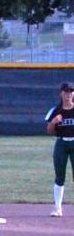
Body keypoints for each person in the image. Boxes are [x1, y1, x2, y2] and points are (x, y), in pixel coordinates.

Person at [45, 81, 74, 217]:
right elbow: (49, 131)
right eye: (66, 91)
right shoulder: (56, 110)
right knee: (59, 176)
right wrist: (53, 122)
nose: (68, 94)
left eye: (71, 91)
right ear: (61, 93)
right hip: (61, 143)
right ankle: (57, 208)